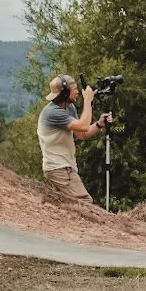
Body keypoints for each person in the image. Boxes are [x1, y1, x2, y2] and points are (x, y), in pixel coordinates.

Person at [36, 74, 111, 205]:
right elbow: (83, 125)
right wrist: (88, 101)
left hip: (66, 166)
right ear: (65, 93)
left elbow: (82, 134)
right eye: (74, 89)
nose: (78, 92)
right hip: (57, 168)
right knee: (84, 202)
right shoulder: (53, 113)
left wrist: (99, 124)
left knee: (74, 203)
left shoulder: (69, 108)